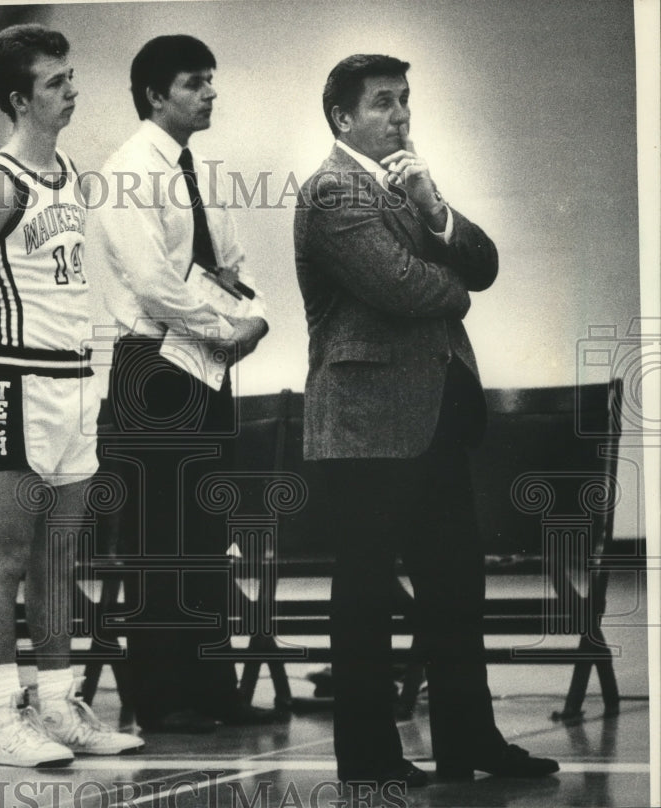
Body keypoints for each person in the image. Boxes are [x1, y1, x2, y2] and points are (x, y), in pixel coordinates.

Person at [293, 54, 560, 786]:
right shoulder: (330, 190)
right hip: (364, 427)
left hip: (432, 417)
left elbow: (486, 261)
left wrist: (436, 207)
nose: (401, 114)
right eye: (383, 103)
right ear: (344, 117)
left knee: (454, 590)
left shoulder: (407, 187)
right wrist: (455, 285)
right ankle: (369, 757)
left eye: (405, 100)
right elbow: (406, 289)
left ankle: (469, 741)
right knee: (367, 595)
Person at [0, 24, 144, 767]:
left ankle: (57, 707)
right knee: (3, 558)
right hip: (16, 381)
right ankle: (5, 719)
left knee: (60, 558)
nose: (72, 90)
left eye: (71, 77)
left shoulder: (69, 174)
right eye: (55, 82)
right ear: (19, 98)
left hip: (74, 382)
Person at [89, 35, 276, 733]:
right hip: (154, 366)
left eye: (211, 81)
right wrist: (227, 326)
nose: (209, 94)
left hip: (204, 364)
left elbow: (230, 264)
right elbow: (154, 284)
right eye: (195, 83)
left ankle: (213, 690)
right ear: (154, 95)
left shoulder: (197, 169)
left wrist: (252, 313)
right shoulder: (125, 173)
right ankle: (161, 697)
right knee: (158, 538)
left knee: (205, 534)